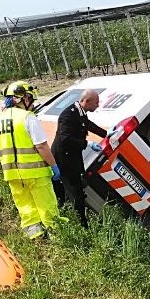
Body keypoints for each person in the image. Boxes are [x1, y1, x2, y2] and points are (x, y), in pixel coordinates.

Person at [0, 81, 65, 239]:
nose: (32, 104)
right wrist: (54, 166)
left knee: (25, 206)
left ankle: (35, 235)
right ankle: (55, 233)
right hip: (35, 172)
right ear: (24, 98)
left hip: (12, 174)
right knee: (46, 204)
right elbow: (41, 146)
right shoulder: (28, 117)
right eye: (31, 99)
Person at [51, 89, 108, 228]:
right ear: (86, 101)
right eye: (96, 102)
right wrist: (87, 143)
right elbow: (65, 139)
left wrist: (106, 134)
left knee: (71, 191)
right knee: (76, 193)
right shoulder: (68, 115)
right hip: (65, 160)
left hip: (72, 158)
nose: (98, 105)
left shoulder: (79, 112)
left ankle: (70, 217)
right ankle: (81, 225)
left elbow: (87, 124)